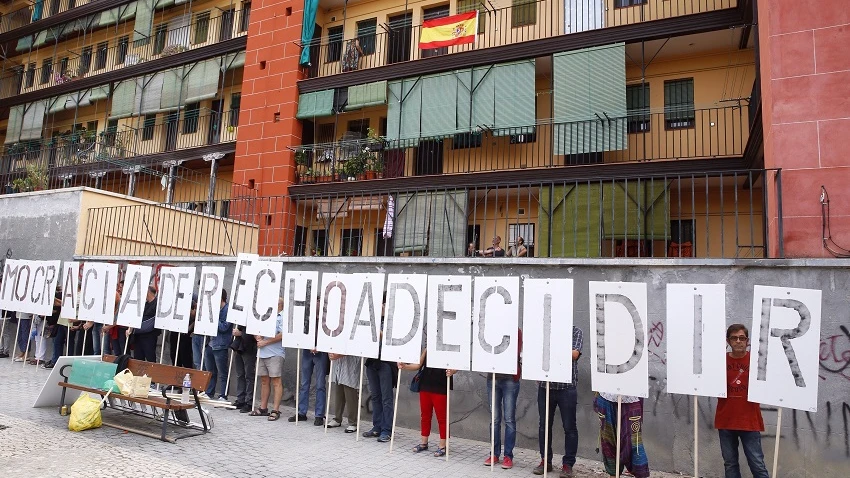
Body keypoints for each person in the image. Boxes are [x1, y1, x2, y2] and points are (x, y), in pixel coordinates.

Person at [715, 324, 770, 478]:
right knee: (730, 464)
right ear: (728, 341)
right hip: (725, 420)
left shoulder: (757, 361)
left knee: (757, 464)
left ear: (747, 341)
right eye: (734, 338)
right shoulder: (719, 362)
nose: (738, 341)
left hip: (750, 421)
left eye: (742, 338)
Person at [535, 325, 583, 477]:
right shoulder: (546, 328)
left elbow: (574, 354)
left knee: (569, 427)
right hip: (545, 386)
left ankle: (568, 464)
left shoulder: (575, 331)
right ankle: (545, 461)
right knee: (544, 426)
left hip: (566, 387)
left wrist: (551, 349)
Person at [400, 347, 455, 458]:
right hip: (425, 385)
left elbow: (457, 363)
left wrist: (453, 371)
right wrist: (405, 366)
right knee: (425, 415)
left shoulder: (449, 347)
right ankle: (424, 442)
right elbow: (418, 365)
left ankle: (442, 445)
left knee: (442, 417)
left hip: (440, 386)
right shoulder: (427, 348)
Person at [484, 329, 523, 469]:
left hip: (510, 379)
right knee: (494, 419)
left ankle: (508, 456)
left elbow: (515, 350)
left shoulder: (515, 330)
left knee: (509, 419)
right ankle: (494, 454)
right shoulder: (490, 328)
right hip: (493, 377)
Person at [290, 298, 329, 426]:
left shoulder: (327, 320)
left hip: (321, 353)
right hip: (307, 352)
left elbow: (330, 336)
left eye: (319, 302)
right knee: (304, 383)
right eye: (315, 302)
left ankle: (319, 415)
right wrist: (308, 345)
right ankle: (302, 412)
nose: (317, 304)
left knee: (320, 384)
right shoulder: (307, 319)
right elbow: (301, 334)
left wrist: (320, 346)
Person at [363, 293, 396, 443]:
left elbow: (390, 339)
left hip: (386, 363)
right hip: (372, 362)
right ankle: (376, 426)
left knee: (386, 398)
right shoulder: (373, 319)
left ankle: (386, 430)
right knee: (375, 395)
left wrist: (377, 329)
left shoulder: (392, 321)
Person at [251, 297, 286, 421]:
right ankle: (263, 407)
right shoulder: (266, 314)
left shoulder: (283, 316)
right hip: (262, 352)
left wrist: (266, 342)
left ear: (279, 305)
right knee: (264, 380)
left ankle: (276, 410)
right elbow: (255, 327)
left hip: (275, 352)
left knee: (276, 381)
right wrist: (257, 337)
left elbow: (282, 334)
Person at [204, 289, 231, 400]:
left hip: (221, 345)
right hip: (211, 343)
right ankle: (209, 392)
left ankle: (223, 395)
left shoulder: (227, 310)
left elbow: (224, 327)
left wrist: (214, 317)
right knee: (210, 371)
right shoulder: (215, 309)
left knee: (222, 372)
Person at [327, 352, 360, 433]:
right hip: (337, 364)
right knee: (338, 395)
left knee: (351, 396)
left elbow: (354, 346)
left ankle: (353, 423)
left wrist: (339, 355)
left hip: (350, 364)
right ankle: (337, 419)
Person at [126, 286, 159, 362]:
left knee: (150, 357)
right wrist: (130, 328)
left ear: (148, 292)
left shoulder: (157, 304)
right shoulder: (144, 304)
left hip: (149, 336)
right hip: (138, 336)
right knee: (138, 358)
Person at [231, 323, 257, 412]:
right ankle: (240, 399)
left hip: (249, 347)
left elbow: (255, 332)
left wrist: (242, 333)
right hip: (239, 346)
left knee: (249, 375)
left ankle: (248, 402)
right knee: (240, 374)